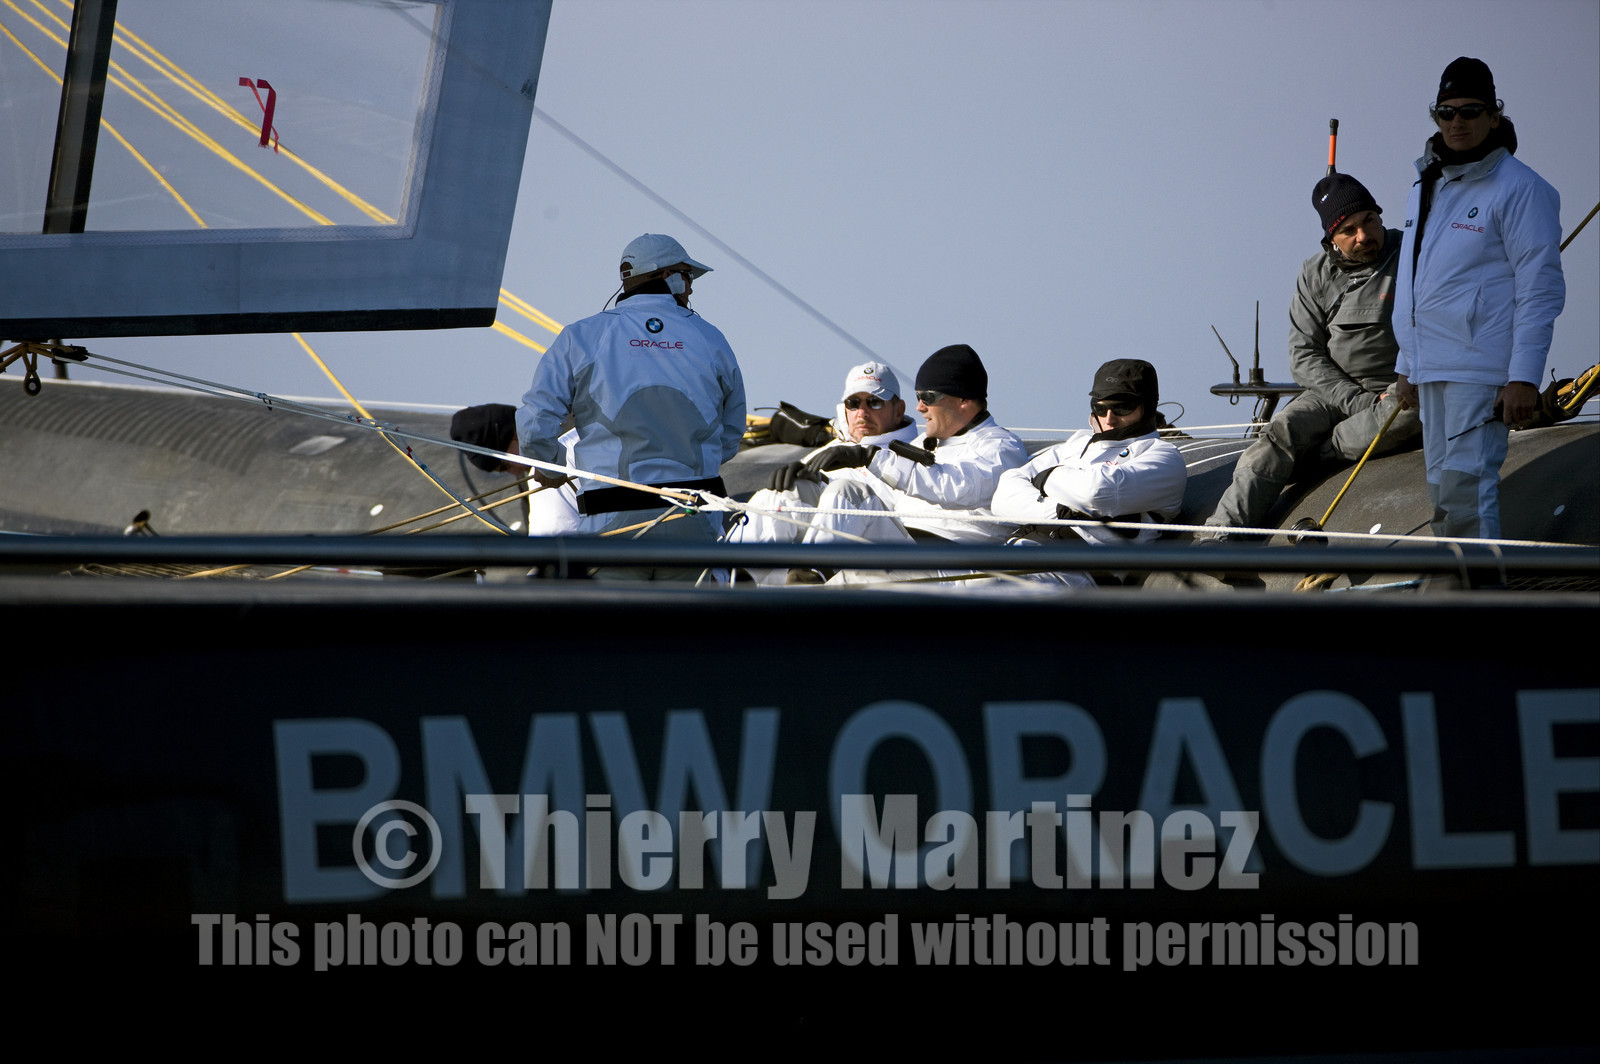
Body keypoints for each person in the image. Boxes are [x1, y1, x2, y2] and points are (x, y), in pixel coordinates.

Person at [1392, 57, 1565, 541]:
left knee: (1466, 500)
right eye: (1445, 112)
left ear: (1494, 115)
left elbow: (1540, 288)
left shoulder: (1522, 189)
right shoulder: (1426, 184)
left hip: (1481, 371)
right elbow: (1419, 281)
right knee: (1443, 503)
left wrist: (1523, 377)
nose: (1457, 122)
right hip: (1433, 370)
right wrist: (1408, 365)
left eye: (1469, 111)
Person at [1203, 173, 1420, 538]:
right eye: (1348, 230)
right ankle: (1219, 539)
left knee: (1412, 417)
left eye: (1369, 221)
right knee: (1278, 436)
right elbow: (1304, 354)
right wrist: (1358, 401)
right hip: (1332, 393)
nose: (1363, 236)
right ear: (1331, 239)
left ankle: (1319, 455)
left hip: (1399, 388)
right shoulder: (1315, 272)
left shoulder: (1415, 253)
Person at [514, 233, 746, 575]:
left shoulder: (581, 336)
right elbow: (731, 434)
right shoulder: (710, 338)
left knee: (619, 625)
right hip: (693, 516)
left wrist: (552, 468)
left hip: (611, 517)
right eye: (688, 277)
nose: (691, 289)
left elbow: (535, 426)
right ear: (669, 278)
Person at [791, 344, 1029, 579]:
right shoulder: (922, 444)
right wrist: (814, 479)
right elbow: (879, 493)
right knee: (791, 493)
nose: (919, 407)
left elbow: (956, 486)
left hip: (949, 568)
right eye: (917, 397)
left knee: (849, 494)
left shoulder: (1000, 447)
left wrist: (868, 456)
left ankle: (807, 580)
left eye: (928, 397)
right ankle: (763, 581)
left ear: (963, 399)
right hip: (900, 549)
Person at [993, 359, 1187, 587]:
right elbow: (1003, 496)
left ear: (1148, 407)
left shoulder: (1163, 456)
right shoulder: (1077, 443)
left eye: (1122, 407)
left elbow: (1098, 491)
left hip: (1075, 573)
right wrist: (1059, 511)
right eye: (1100, 408)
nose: (1109, 418)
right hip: (1019, 552)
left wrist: (1045, 478)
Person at [724, 360, 918, 584]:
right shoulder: (830, 450)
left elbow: (893, 507)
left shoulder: (913, 454)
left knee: (847, 492)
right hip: (831, 558)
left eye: (874, 402)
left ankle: (804, 587)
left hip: (892, 559)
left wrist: (823, 482)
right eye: (853, 403)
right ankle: (727, 578)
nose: (862, 412)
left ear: (899, 410)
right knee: (784, 491)